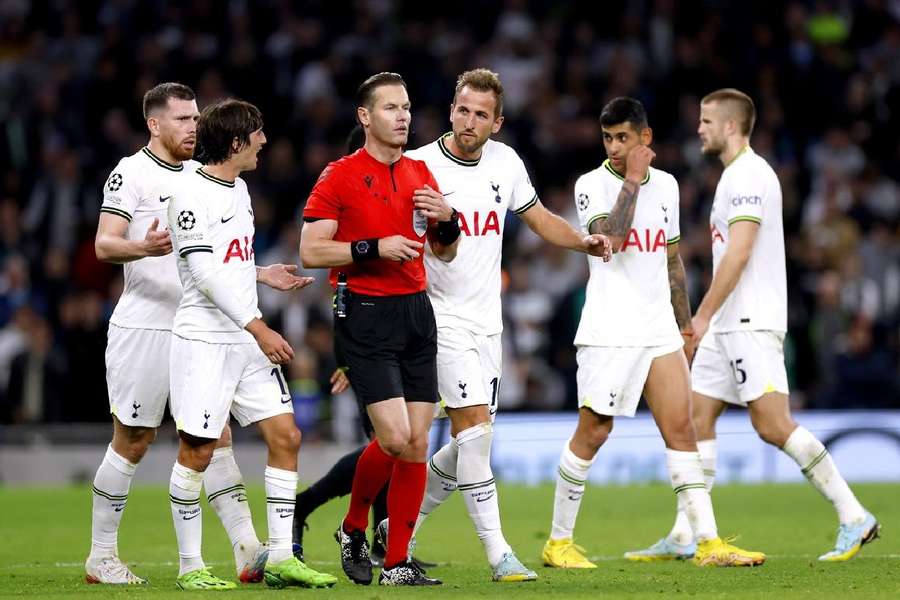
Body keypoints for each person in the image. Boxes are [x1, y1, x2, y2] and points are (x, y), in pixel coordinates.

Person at [625, 88, 880, 562]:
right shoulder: (732, 177)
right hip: (727, 323)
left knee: (772, 423)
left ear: (729, 126)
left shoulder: (748, 175)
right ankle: (687, 533)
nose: (698, 129)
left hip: (749, 319)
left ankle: (854, 515)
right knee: (695, 419)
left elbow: (739, 253)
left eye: (705, 121)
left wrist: (700, 315)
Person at [377, 68, 611, 583]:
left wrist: (583, 241)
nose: (468, 121)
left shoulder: (505, 164)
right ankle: (500, 555)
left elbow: (539, 217)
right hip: (437, 319)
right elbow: (406, 244)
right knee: (477, 435)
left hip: (488, 324)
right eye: (462, 109)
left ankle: (397, 530)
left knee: (467, 443)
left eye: (481, 114)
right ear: (451, 108)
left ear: (496, 123)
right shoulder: (418, 167)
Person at [87, 83, 303, 585]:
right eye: (182, 119)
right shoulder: (131, 172)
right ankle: (101, 555)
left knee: (215, 437)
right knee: (134, 439)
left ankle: (249, 550)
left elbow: (212, 259)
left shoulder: (204, 176)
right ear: (154, 125)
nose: (193, 127)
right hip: (145, 324)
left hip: (202, 326)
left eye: (196, 118)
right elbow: (103, 244)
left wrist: (257, 271)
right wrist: (143, 248)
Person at [541, 97, 765, 569]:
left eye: (624, 137)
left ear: (645, 137)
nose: (615, 147)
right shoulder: (592, 185)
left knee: (681, 430)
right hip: (609, 331)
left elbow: (671, 258)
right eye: (608, 138)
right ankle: (558, 542)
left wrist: (684, 323)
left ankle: (708, 542)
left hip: (658, 327)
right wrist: (632, 181)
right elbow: (612, 242)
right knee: (594, 431)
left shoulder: (667, 187)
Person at [165, 98, 336, 590]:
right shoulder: (189, 194)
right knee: (197, 452)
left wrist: (261, 273)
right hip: (205, 340)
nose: (265, 141)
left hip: (242, 334)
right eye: (257, 133)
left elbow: (226, 263)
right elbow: (201, 272)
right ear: (236, 142)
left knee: (287, 436)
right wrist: (258, 327)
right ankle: (190, 566)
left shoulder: (238, 188)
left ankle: (280, 556)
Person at [300, 72, 459, 586]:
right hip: (365, 312)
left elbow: (446, 250)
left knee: (416, 444)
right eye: (391, 108)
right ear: (365, 117)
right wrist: (372, 248)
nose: (403, 116)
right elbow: (310, 250)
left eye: (407, 107)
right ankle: (351, 528)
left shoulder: (421, 173)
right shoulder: (340, 176)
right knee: (392, 438)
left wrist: (449, 219)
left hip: (417, 310)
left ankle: (396, 562)